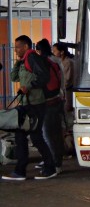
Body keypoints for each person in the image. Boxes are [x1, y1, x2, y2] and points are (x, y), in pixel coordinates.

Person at [2, 35, 57, 180]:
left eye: (18, 47)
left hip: (36, 103)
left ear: (26, 46)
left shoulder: (33, 58)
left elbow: (44, 76)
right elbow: (14, 77)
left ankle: (48, 168)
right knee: (22, 135)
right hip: (27, 103)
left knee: (34, 136)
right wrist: (18, 62)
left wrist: (29, 86)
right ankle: (22, 170)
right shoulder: (24, 60)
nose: (16, 51)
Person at [35, 39, 65, 174]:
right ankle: (56, 161)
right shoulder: (56, 62)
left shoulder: (42, 62)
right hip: (58, 98)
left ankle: (53, 163)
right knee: (56, 133)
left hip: (47, 102)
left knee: (47, 134)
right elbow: (62, 80)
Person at [53, 41, 75, 156]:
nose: (53, 53)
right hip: (65, 94)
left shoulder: (67, 63)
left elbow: (67, 81)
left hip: (68, 94)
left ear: (61, 52)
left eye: (55, 51)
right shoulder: (62, 62)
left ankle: (70, 148)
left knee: (68, 121)